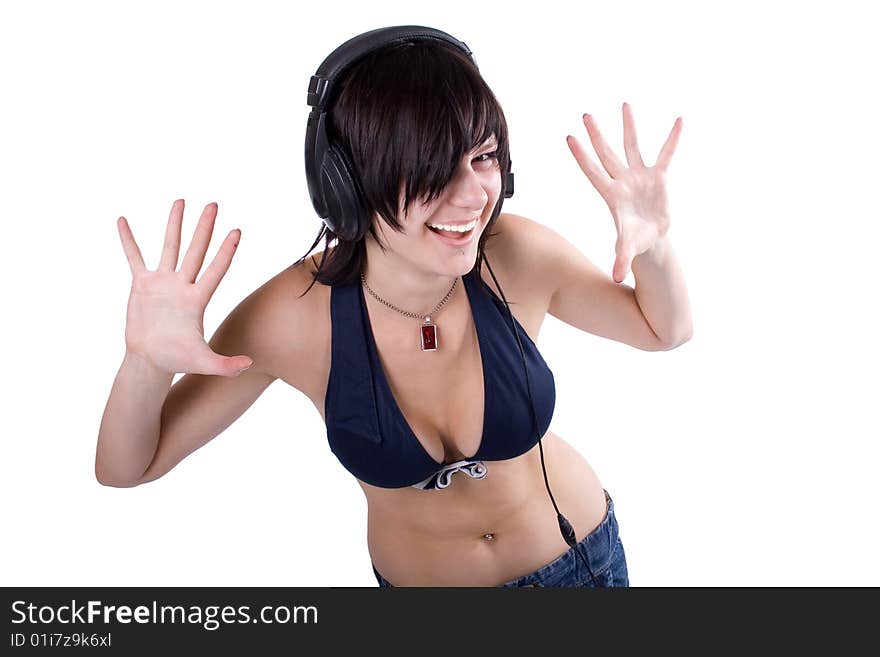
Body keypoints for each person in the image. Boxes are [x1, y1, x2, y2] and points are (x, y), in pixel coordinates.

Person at [95, 28, 691, 587]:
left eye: (482, 157)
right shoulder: (291, 317)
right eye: (431, 169)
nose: (472, 195)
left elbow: (662, 330)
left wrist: (656, 247)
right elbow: (127, 467)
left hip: (580, 564)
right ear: (346, 186)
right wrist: (144, 363)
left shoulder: (515, 254)